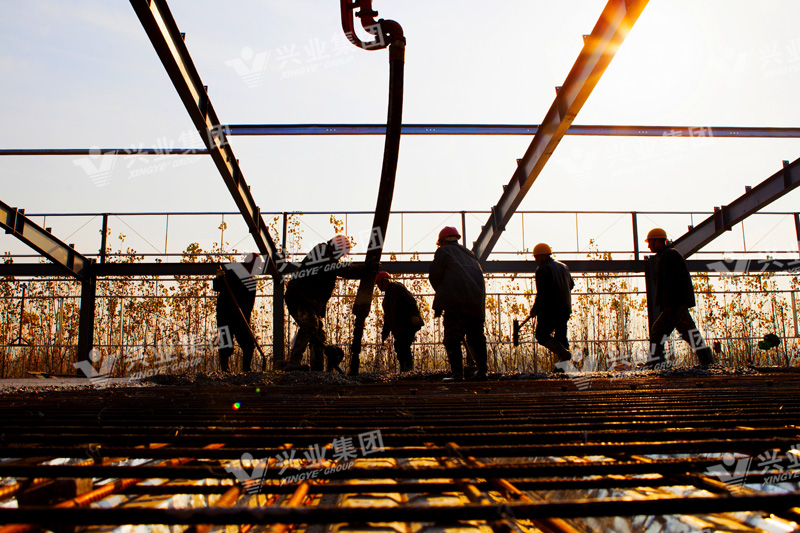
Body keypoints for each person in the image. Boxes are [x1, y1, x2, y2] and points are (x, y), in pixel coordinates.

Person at [283, 235, 379, 371]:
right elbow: (339, 269)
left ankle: (317, 370)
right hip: (299, 298)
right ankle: (294, 362)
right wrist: (365, 268)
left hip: (309, 301)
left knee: (319, 336)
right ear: (336, 247)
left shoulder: (327, 256)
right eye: (341, 253)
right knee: (310, 325)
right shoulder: (321, 252)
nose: (340, 257)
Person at [645, 228, 715, 369]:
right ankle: (656, 362)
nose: (649, 246)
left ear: (658, 241)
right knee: (661, 331)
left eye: (650, 242)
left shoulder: (668, 255)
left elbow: (670, 281)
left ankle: (706, 360)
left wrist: (669, 303)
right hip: (673, 305)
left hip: (674, 305)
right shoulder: (668, 255)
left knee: (685, 332)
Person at [429, 226, 488, 381]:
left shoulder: (443, 251)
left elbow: (435, 276)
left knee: (452, 339)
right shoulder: (470, 255)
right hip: (476, 305)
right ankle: (482, 372)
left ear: (442, 241)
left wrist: (442, 298)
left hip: (456, 303)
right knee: (476, 338)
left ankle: (457, 374)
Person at [529, 242, 575, 371]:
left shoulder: (542, 269)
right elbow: (571, 285)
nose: (536, 260)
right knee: (561, 337)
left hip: (550, 310)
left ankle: (562, 353)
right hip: (565, 308)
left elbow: (542, 292)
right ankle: (562, 369)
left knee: (541, 335)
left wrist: (535, 308)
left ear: (543, 256)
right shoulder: (564, 267)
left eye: (536, 257)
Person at [213, 253, 258, 372]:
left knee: (248, 344)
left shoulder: (251, 282)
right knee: (226, 342)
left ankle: (246, 370)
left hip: (240, 318)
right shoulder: (230, 274)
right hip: (225, 314)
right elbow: (217, 286)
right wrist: (218, 278)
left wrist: (246, 321)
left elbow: (249, 305)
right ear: (249, 265)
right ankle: (224, 368)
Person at [376, 271, 424, 372]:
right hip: (400, 327)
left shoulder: (397, 289)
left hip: (407, 324)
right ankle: (405, 369)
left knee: (403, 346)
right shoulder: (389, 295)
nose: (378, 286)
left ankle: (407, 369)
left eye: (378, 283)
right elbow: (388, 317)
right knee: (400, 346)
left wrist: (414, 315)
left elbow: (410, 301)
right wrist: (385, 332)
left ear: (384, 281)